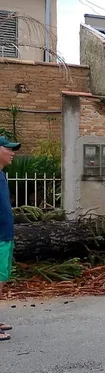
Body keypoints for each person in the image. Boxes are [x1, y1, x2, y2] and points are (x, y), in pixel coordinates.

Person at [0, 136, 20, 342]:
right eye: (8, 149)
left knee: (2, 277)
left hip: (5, 236)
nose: (12, 153)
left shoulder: (2, 176)